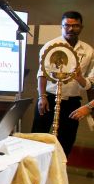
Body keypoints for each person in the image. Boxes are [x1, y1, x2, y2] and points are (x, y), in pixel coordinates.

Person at [32, 11, 94, 158]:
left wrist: (90, 106)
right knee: (36, 140)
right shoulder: (51, 46)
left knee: (66, 143)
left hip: (72, 103)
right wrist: (42, 97)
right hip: (48, 99)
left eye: (75, 26)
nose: (71, 29)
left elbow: (90, 83)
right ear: (61, 26)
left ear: (81, 27)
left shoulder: (88, 50)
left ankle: (58, 175)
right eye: (67, 25)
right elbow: (42, 73)